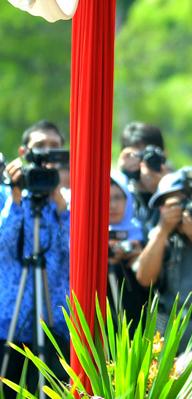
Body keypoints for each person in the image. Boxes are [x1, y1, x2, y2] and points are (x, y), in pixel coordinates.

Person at [0, 120, 70, 398]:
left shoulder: (68, 202)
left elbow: (74, 252)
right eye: (40, 146)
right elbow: (3, 242)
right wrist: (15, 197)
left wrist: (61, 207)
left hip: (53, 321)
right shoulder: (6, 195)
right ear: (23, 151)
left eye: (54, 147)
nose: (46, 153)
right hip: (9, 320)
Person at [133, 169, 192, 351]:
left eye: (180, 203)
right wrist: (162, 230)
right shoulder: (161, 235)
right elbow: (144, 279)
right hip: (170, 332)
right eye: (168, 206)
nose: (176, 211)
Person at [107, 173, 147, 327]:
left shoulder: (141, 233)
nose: (112, 205)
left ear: (128, 199)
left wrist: (140, 257)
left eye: (118, 197)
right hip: (105, 321)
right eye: (107, 197)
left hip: (139, 317)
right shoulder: (90, 236)